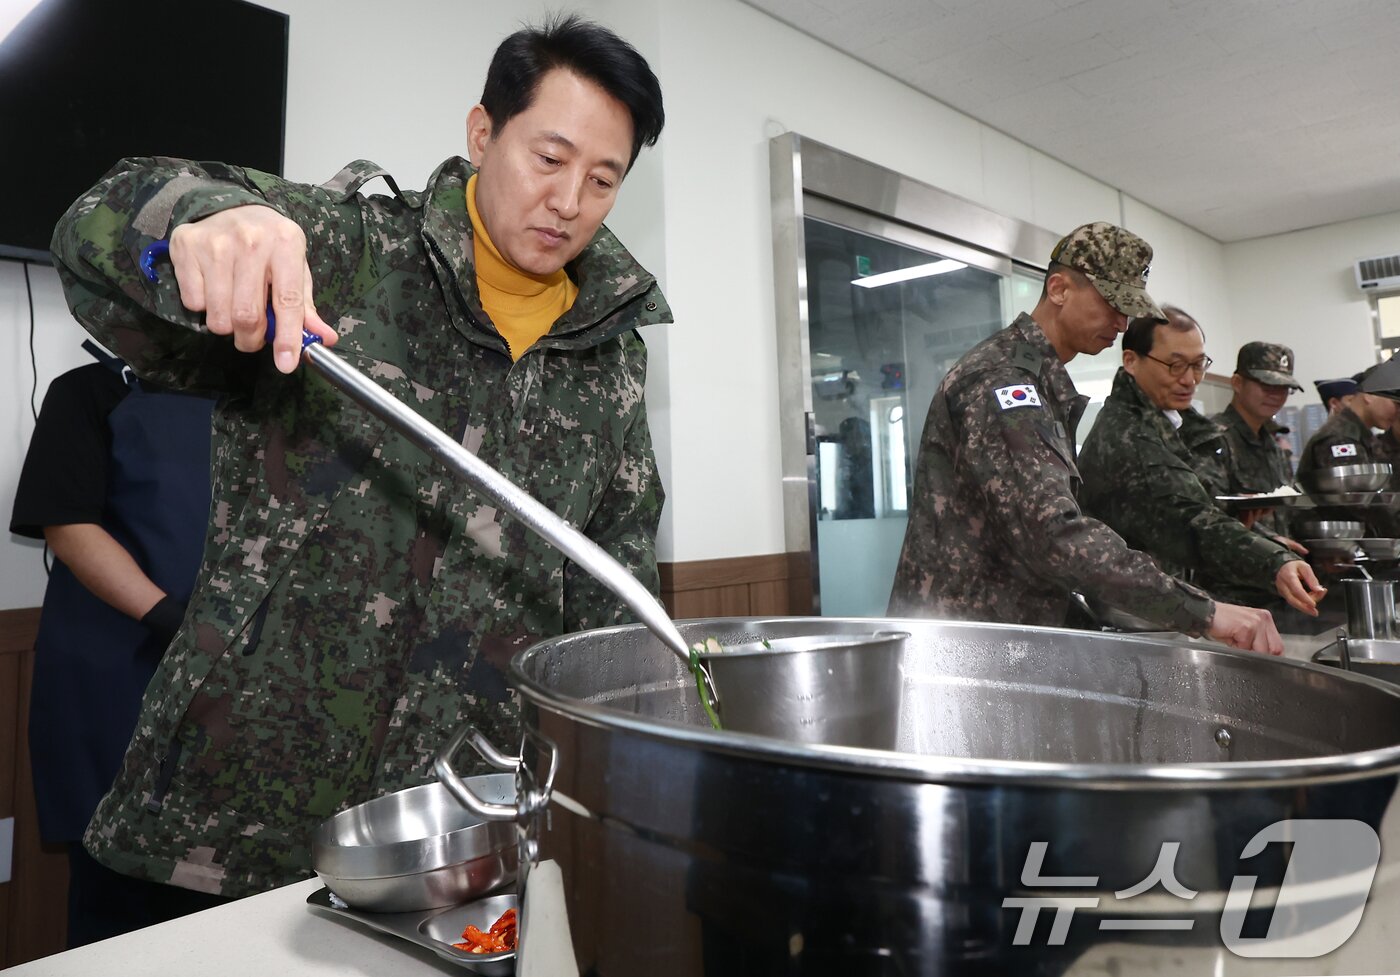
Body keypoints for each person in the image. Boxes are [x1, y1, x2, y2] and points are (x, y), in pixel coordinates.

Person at [48, 15, 669, 902]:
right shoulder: (353, 251)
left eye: (603, 179)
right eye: (549, 158)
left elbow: (617, 585)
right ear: (483, 133)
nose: (570, 200)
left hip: (458, 832)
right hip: (229, 826)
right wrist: (204, 220)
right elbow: (100, 223)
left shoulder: (614, 353)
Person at [888, 221, 1282, 653]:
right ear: (1059, 289)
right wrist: (1203, 612)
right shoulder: (1003, 381)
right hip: (964, 646)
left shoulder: (1036, 378)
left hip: (1000, 637)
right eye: (1112, 303)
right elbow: (1052, 534)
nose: (1121, 321)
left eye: (1129, 308)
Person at [10, 341, 216, 945]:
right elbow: (69, 525)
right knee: (123, 902)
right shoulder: (90, 392)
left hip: (245, 688)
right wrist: (174, 621)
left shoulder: (271, 398)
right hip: (119, 670)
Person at [1077, 310, 1323, 615]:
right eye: (1175, 365)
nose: (1189, 379)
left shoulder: (1173, 424)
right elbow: (1194, 522)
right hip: (1135, 612)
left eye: (1198, 365)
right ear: (1131, 361)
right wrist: (1274, 562)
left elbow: (1203, 509)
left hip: (1169, 603)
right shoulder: (1131, 437)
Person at [1208, 341, 1305, 539]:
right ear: (1237, 383)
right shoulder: (1215, 438)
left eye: (1284, 387)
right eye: (1266, 385)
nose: (1276, 395)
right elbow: (1208, 512)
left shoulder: (1272, 445)